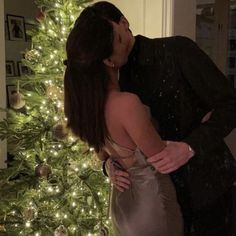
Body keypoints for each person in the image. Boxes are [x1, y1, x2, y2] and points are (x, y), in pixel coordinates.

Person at [90, 1, 236, 236]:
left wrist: (189, 147)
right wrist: (109, 166)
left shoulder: (178, 50)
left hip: (208, 190)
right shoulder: (108, 83)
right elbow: (104, 141)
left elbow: (230, 104)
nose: (107, 55)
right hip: (155, 205)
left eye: (110, 39)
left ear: (124, 24)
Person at [63, 5, 185, 236]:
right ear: (109, 61)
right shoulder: (126, 103)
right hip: (151, 204)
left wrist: (110, 166)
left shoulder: (88, 106)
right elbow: (159, 158)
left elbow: (103, 154)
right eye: (120, 39)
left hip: (121, 201)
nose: (128, 37)